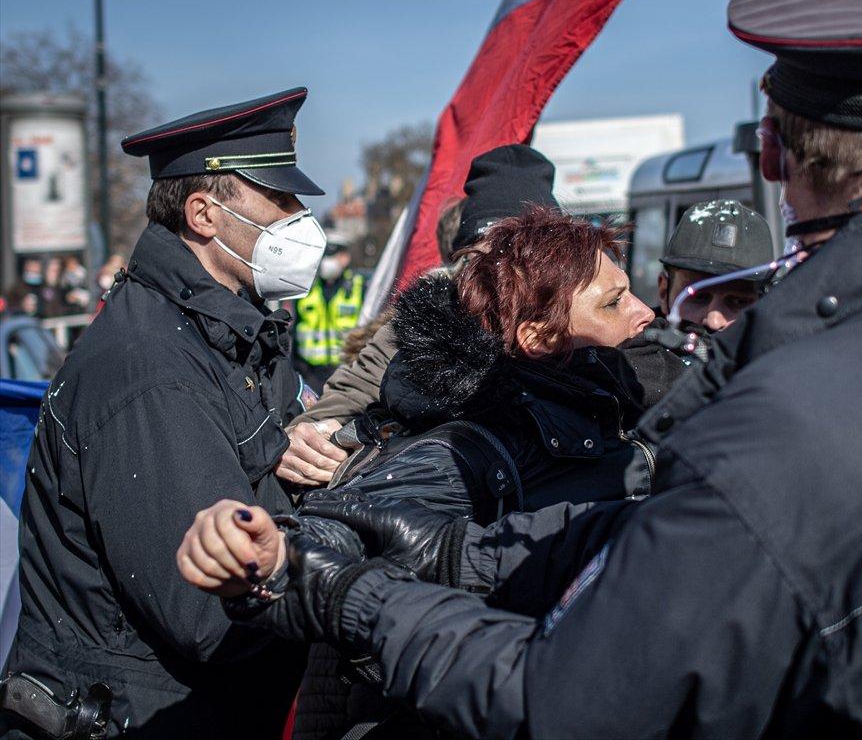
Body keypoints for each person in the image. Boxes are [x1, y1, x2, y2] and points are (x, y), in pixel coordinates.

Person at [179, 0, 862, 739]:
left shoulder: (778, 425)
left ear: (772, 150)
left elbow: (558, 702)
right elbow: (697, 550)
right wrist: (461, 554)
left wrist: (345, 595)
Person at [183, 206, 677, 738]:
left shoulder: (617, 400)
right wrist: (270, 554)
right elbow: (349, 523)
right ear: (536, 337)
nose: (644, 312)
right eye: (613, 302)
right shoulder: (473, 444)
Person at [1, 88, 325, 738]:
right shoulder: (150, 370)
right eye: (280, 200)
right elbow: (210, 610)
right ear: (204, 215)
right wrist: (337, 553)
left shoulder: (231, 331)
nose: (301, 220)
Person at [276, 144, 567, 489]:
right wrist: (310, 439)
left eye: (522, 256)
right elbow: (346, 398)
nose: (502, 274)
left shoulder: (588, 324)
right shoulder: (417, 327)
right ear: (462, 262)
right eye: (487, 258)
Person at [654, 199, 773, 334]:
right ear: (664, 293)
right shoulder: (638, 344)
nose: (714, 322)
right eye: (698, 297)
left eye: (739, 301)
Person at [292, 231, 365, 389]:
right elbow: (296, 329)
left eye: (332, 255)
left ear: (345, 258)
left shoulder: (359, 287)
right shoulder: (307, 288)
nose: (326, 261)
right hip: (309, 374)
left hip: (347, 373)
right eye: (324, 256)